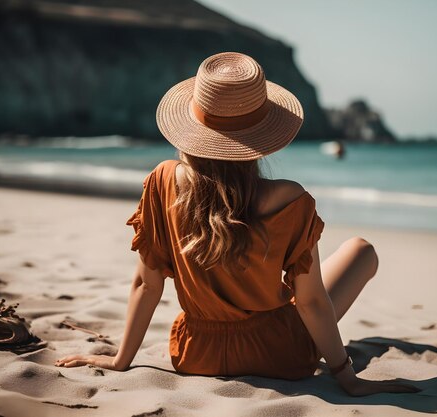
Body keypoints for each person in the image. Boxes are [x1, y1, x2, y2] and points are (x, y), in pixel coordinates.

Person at [55, 52, 418, 396]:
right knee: (360, 251)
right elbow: (310, 303)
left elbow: (147, 286)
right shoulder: (292, 200)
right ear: (263, 137)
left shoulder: (163, 182)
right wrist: (346, 377)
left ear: (192, 127)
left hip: (196, 355)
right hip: (280, 357)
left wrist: (121, 360)